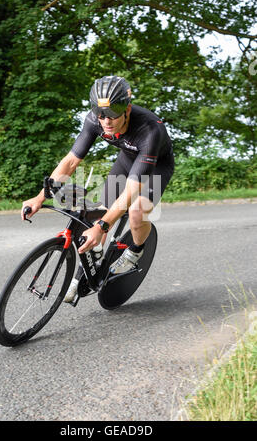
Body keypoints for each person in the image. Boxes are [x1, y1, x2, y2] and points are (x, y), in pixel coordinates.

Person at [21, 75, 174, 303]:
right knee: (99, 213)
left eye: (113, 114)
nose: (106, 121)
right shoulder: (94, 120)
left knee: (134, 212)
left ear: (127, 109)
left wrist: (103, 227)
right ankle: (85, 272)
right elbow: (70, 162)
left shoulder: (150, 130)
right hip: (127, 160)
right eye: (101, 114)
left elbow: (132, 190)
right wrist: (40, 197)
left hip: (156, 167)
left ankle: (135, 250)